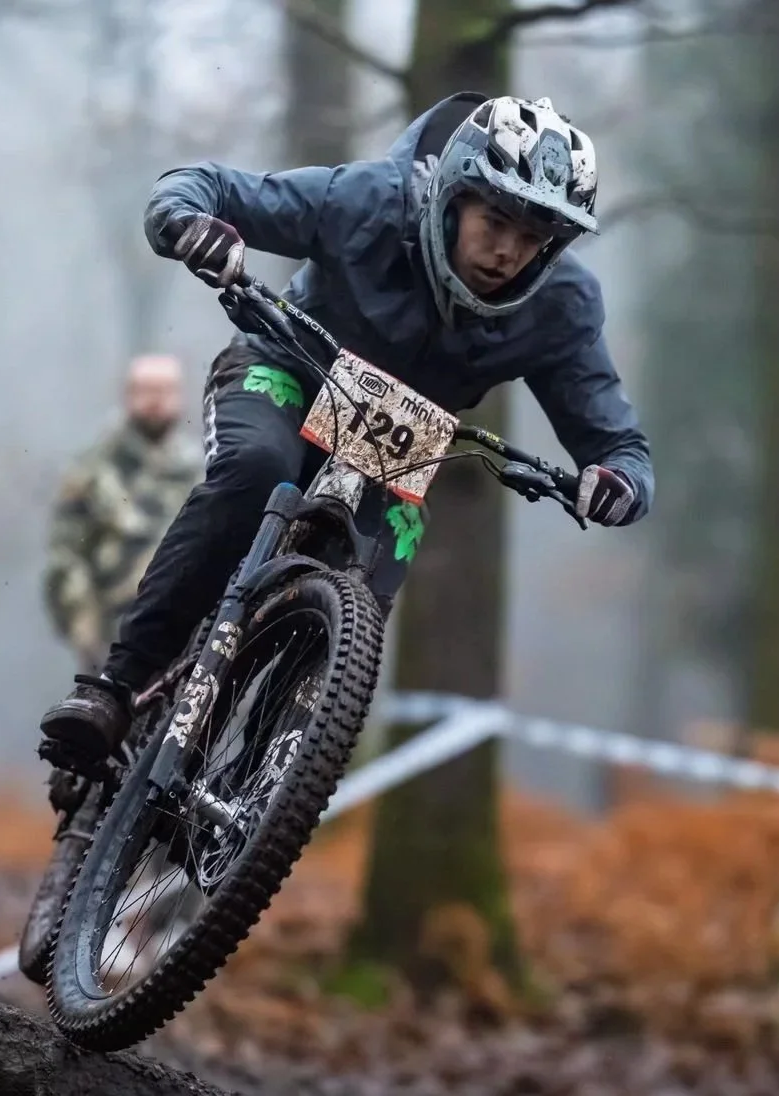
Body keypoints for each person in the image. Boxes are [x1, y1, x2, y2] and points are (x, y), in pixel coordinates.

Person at [39, 92, 655, 773]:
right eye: (494, 220)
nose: (506, 251)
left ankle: (257, 788)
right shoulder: (370, 201)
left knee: (362, 586)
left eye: (532, 237)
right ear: (454, 196)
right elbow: (205, 187)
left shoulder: (561, 307)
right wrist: (185, 222)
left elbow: (616, 443)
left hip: (398, 440)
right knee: (256, 470)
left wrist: (617, 481)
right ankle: (114, 687)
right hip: (287, 370)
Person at [42, 353, 202, 675]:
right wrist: (84, 633)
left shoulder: (199, 470)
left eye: (165, 390)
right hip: (113, 634)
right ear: (128, 395)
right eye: (146, 390)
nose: (156, 401)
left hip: (187, 639)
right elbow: (66, 556)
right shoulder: (93, 469)